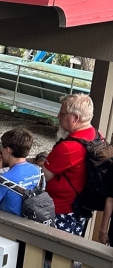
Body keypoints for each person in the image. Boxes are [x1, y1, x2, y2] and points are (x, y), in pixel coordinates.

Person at [38, 93, 96, 236]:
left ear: (75, 118)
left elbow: (44, 175)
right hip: (79, 208)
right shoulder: (96, 136)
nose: (58, 116)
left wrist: (40, 160)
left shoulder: (68, 148)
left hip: (61, 211)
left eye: (62, 113)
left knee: (49, 253)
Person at [0, 129, 41, 213]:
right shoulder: (38, 171)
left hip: (9, 223)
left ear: (8, 150)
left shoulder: (4, 180)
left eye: (1, 147)